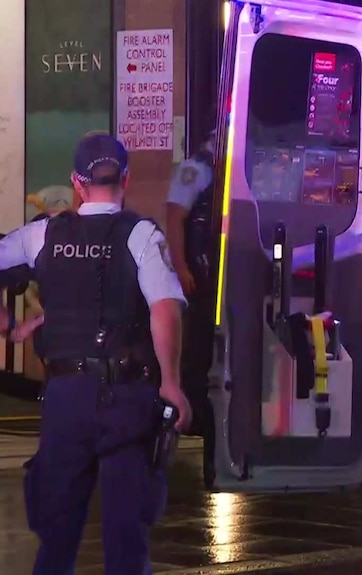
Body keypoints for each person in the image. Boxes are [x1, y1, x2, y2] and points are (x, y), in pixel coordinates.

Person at [0, 133, 192, 574]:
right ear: (125, 178)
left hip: (66, 400)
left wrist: (8, 326)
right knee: (127, 541)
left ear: (76, 183)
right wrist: (172, 384)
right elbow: (164, 309)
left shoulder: (44, 234)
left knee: (57, 539)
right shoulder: (140, 235)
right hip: (127, 398)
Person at [165, 128, 217, 485]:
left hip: (215, 273)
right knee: (197, 351)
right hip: (199, 273)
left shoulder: (228, 165)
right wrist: (181, 267)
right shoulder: (198, 167)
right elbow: (173, 215)